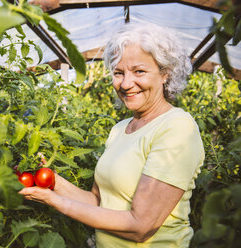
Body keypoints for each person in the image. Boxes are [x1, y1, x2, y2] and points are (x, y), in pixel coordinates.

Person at [19, 23, 205, 247]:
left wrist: (55, 201)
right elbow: (98, 201)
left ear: (165, 74)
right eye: (119, 73)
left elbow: (140, 227)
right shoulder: (120, 128)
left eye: (139, 71)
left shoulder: (176, 127)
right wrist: (49, 180)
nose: (126, 84)